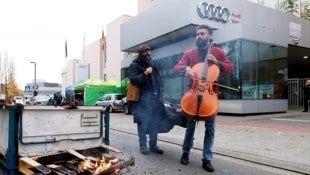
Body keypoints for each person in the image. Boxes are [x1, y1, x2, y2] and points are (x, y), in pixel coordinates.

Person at [173, 24, 234, 172]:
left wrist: (218, 63)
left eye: (202, 34)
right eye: (197, 34)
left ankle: (207, 158)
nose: (199, 36)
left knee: (210, 129)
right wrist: (185, 69)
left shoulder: (217, 52)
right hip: (193, 95)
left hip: (209, 96)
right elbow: (176, 68)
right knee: (190, 127)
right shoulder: (189, 53)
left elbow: (230, 67)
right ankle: (185, 152)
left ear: (210, 36)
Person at [128, 44, 164, 155]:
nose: (148, 53)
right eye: (145, 51)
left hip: (154, 99)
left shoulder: (153, 64)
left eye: (149, 50)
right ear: (140, 53)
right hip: (141, 101)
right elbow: (133, 80)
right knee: (142, 123)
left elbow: (158, 80)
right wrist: (145, 73)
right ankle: (143, 146)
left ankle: (153, 145)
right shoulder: (135, 65)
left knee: (154, 123)